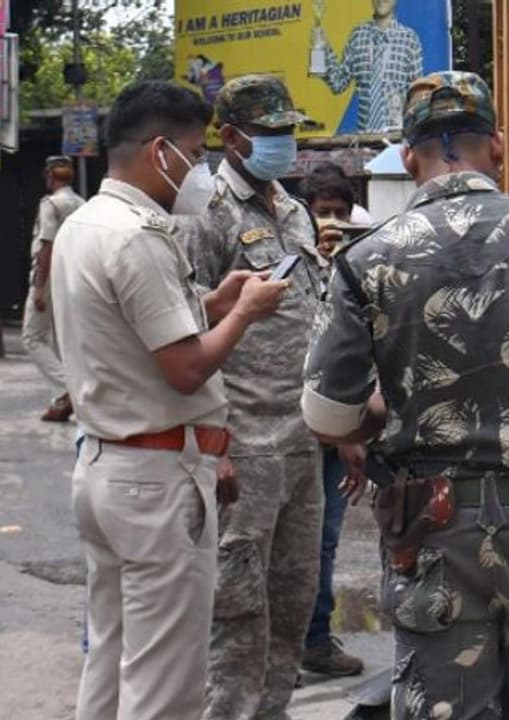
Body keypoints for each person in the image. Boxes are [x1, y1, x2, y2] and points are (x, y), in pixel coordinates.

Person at [301, 71, 509, 719]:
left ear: (409, 157)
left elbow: (329, 417)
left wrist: (398, 410)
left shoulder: (365, 260)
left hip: (431, 531)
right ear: (498, 143)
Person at [51, 79, 291, 720]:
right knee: (167, 685)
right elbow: (186, 368)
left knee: (112, 655)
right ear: (161, 151)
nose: (202, 169)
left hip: (107, 468)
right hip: (155, 480)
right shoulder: (139, 237)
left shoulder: (85, 224)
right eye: (195, 151)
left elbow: (142, 331)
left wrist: (215, 302)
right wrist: (246, 312)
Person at [178, 74, 346, 720]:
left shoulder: (294, 209)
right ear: (231, 137)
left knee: (294, 593)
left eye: (288, 131)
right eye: (271, 133)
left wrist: (343, 433)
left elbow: (317, 314)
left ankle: (269, 710)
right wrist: (210, 443)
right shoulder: (205, 215)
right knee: (238, 604)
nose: (284, 143)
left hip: (303, 440)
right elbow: (187, 335)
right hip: (242, 442)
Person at [295, 164, 367, 678]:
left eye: (341, 214)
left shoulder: (358, 266)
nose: (333, 224)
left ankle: (315, 640)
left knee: (324, 540)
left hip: (336, 429)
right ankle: (279, 646)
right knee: (283, 542)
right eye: (324, 214)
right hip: (287, 429)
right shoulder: (289, 263)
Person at [23, 155, 85, 422]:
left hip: (50, 276)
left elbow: (47, 246)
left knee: (32, 337)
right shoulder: (82, 203)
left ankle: (65, 391)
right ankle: (71, 397)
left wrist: (39, 287)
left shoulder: (51, 204)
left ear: (50, 176)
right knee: (63, 339)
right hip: (74, 275)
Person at [315, 0, 423, 133]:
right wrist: (321, 48)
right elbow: (338, 83)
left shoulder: (410, 39)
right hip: (364, 139)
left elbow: (417, 95)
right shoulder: (358, 36)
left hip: (397, 139)